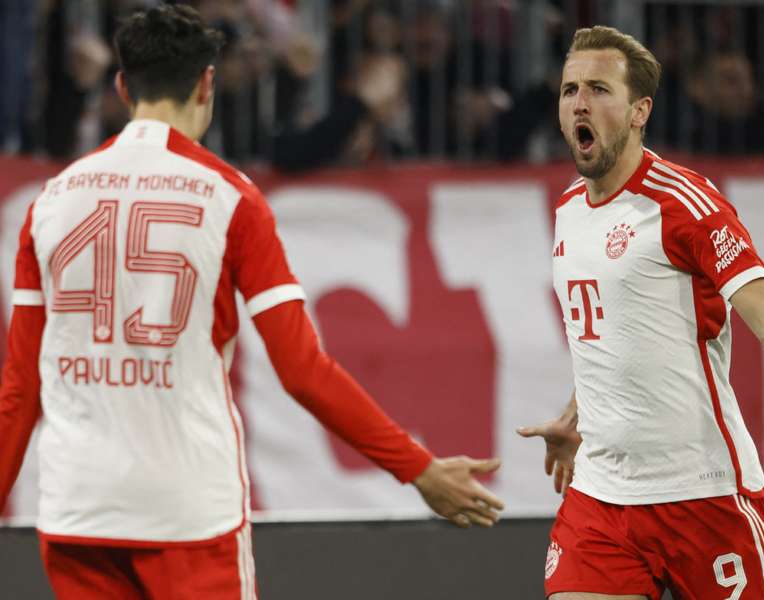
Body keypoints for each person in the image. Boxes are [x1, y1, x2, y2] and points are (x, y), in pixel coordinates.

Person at [0, 6, 503, 599]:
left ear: (121, 86)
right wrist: (417, 468)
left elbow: (19, 387)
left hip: (77, 511)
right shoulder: (230, 198)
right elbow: (303, 371)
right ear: (207, 83)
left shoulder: (52, 201)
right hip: (188, 515)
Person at [517, 25, 764, 600]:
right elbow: (611, 334)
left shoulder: (686, 204)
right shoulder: (570, 208)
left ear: (640, 110)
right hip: (603, 498)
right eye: (570, 90)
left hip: (703, 495)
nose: (579, 103)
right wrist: (577, 416)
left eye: (598, 89)